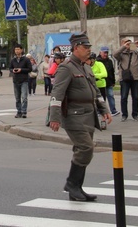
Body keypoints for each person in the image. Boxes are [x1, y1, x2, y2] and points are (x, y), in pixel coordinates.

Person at [48, 32, 111, 202]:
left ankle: (76, 188)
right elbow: (57, 93)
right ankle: (71, 183)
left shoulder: (86, 67)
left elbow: (96, 92)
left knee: (81, 149)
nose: (89, 50)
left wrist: (104, 109)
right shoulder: (66, 68)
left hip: (89, 115)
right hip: (74, 116)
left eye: (90, 47)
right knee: (86, 148)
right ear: (76, 48)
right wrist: (54, 118)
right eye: (86, 47)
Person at [112, 38, 138, 122]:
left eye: (129, 43)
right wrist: (123, 47)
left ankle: (135, 114)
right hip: (125, 78)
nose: (128, 44)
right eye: (126, 43)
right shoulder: (121, 54)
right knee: (124, 97)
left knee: (135, 97)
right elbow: (115, 54)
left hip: (135, 78)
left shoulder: (135, 53)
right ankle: (124, 115)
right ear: (122, 44)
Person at [10, 45, 32, 118]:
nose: (17, 51)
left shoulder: (26, 59)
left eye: (18, 49)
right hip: (16, 80)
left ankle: (24, 112)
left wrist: (21, 70)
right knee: (17, 97)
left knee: (24, 97)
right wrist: (12, 70)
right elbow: (10, 68)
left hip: (24, 80)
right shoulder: (13, 60)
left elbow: (30, 69)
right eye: (15, 49)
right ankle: (18, 112)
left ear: (21, 50)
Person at [97, 46, 120, 116]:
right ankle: (100, 110)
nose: (105, 54)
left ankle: (113, 110)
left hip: (109, 82)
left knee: (110, 96)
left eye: (106, 53)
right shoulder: (97, 61)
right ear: (100, 52)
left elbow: (112, 72)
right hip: (100, 83)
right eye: (104, 53)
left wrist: (113, 81)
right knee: (101, 98)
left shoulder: (109, 61)